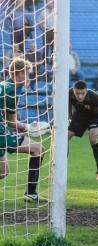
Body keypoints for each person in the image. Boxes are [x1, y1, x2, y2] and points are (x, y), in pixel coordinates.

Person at [0, 57, 50, 202]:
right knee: (38, 149)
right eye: (27, 74)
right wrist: (31, 127)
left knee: (3, 172)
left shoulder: (3, 85)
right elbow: (12, 123)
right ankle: (31, 193)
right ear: (20, 73)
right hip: (1, 133)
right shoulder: (11, 92)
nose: (27, 78)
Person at [68, 80, 98, 179]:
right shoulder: (69, 93)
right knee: (63, 139)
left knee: (93, 140)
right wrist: (70, 115)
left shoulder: (94, 97)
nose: (80, 96)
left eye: (82, 93)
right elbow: (68, 101)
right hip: (79, 117)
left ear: (86, 91)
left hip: (94, 118)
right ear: (74, 91)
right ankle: (59, 169)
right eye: (77, 93)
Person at [38, 0, 54, 64]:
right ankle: (45, 62)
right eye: (48, 3)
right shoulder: (43, 12)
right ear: (46, 4)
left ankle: (53, 62)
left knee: (54, 48)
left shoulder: (56, 12)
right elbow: (39, 22)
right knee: (45, 47)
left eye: (51, 3)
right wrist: (43, 30)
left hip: (54, 31)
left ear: (53, 4)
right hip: (46, 31)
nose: (50, 4)